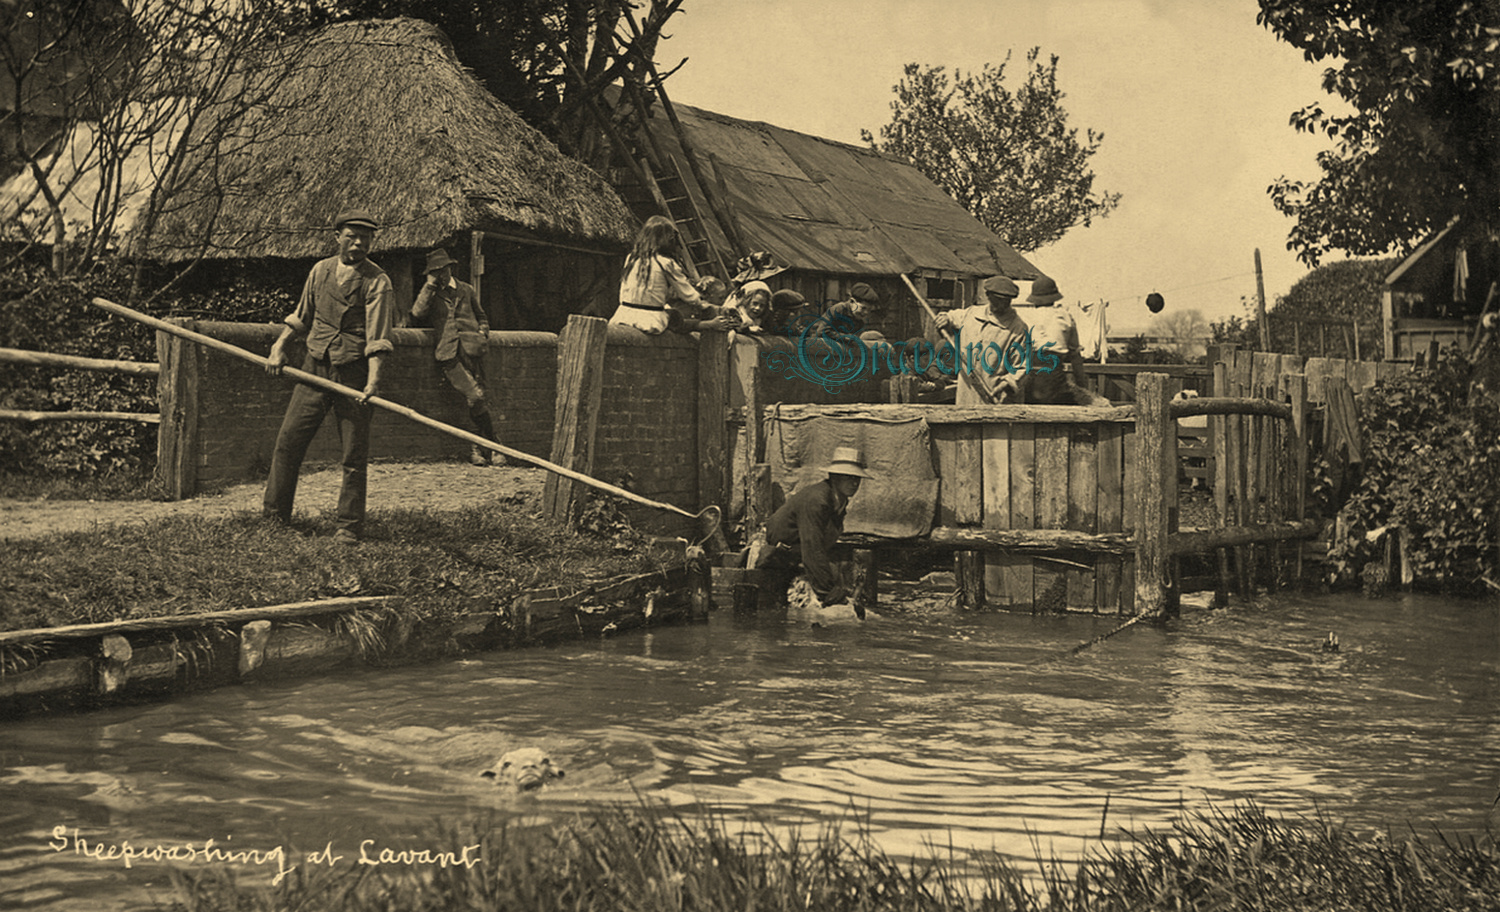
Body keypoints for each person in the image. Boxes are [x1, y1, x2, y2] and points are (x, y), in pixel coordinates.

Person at [263, 208, 395, 544]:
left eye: (365, 237)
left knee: (353, 454)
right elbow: (301, 316)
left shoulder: (378, 281)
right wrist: (279, 347)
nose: (358, 243)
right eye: (351, 235)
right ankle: (275, 518)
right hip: (314, 365)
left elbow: (378, 337)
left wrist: (373, 381)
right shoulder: (319, 271)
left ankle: (348, 527)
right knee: (288, 443)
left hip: (353, 372)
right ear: (337, 237)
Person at [411, 247, 503, 466]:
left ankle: (481, 450)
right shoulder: (431, 293)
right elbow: (417, 313)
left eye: (442, 270)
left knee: (476, 400)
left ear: (450, 268)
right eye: (434, 271)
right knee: (475, 396)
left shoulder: (467, 290)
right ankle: (493, 444)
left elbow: (482, 316)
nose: (439, 274)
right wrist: (429, 285)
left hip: (473, 351)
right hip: (448, 353)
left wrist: (482, 332)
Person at [754, 446, 872, 611]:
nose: (854, 483)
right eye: (848, 477)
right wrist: (829, 594)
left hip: (800, 558)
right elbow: (812, 547)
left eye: (857, 478)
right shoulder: (816, 500)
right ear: (835, 477)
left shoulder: (839, 502)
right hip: (778, 559)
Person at [932, 275, 1030, 404]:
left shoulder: (1018, 329)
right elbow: (952, 316)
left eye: (1004, 300)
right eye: (995, 299)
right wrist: (945, 317)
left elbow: (1021, 367)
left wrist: (1007, 383)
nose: (999, 304)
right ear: (988, 296)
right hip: (967, 393)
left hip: (996, 395)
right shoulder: (972, 314)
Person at [1021, 276, 1108, 406]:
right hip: (1055, 377)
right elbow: (1075, 356)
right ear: (1054, 297)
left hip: (1031, 376)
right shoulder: (1065, 316)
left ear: (1034, 299)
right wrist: (1081, 386)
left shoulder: (1026, 318)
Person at [609, 215, 702, 334]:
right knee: (675, 315)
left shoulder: (631, 259)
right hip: (650, 320)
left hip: (623, 315)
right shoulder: (666, 263)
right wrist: (702, 303)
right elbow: (689, 296)